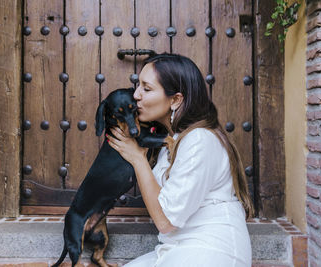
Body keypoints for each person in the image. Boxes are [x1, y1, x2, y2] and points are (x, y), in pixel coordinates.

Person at [106, 53, 253, 267]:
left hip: (210, 251)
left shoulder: (199, 139)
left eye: (146, 89)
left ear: (175, 99)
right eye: (138, 86)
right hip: (176, 249)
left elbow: (165, 222)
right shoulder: (173, 140)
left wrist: (138, 159)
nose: (136, 95)